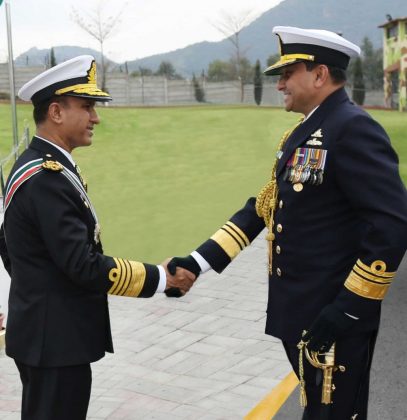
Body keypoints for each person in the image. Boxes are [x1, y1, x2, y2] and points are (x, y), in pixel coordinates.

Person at [166, 27, 407, 419]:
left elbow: (392, 227)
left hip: (335, 318)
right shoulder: (303, 132)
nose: (279, 85)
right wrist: (198, 262)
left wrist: (348, 308)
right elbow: (263, 208)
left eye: (287, 73)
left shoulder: (353, 128)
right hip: (303, 316)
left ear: (319, 74)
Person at [0, 55, 195, 420]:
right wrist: (159, 277)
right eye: (87, 107)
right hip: (56, 343)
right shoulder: (46, 178)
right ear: (56, 112)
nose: (96, 118)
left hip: (45, 336)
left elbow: (9, 248)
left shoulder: (35, 165)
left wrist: (35, 291)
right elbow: (83, 265)